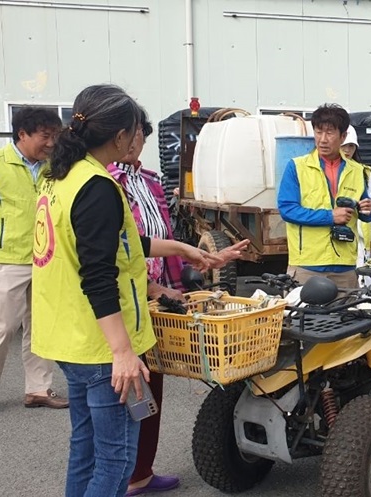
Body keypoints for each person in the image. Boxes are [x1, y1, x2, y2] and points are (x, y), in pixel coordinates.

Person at [31, 84, 246, 497]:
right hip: (98, 346)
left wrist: (186, 250)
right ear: (119, 136)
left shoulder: (61, 176)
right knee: (115, 460)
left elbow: (122, 244)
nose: (138, 138)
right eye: (135, 131)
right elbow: (98, 275)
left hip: (68, 337)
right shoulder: (96, 186)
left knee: (86, 450)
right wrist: (123, 352)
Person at [0, 106, 67, 417]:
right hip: (7, 260)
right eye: (45, 136)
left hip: (46, 259)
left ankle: (38, 389)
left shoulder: (52, 168)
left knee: (42, 327)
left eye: (55, 136)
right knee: (3, 327)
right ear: (22, 134)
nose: (51, 143)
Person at [106, 108, 182, 496]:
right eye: (133, 135)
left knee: (153, 383)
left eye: (143, 138)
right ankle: (124, 477)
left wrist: (177, 277)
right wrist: (152, 289)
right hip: (126, 299)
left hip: (157, 294)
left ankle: (142, 472)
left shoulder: (150, 179)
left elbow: (159, 234)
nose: (137, 144)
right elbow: (118, 253)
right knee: (123, 393)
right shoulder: (105, 182)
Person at [276, 104, 371, 289]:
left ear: (343, 136)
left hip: (345, 267)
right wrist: (330, 216)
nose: (322, 139)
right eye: (318, 132)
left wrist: (368, 210)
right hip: (307, 265)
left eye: (330, 133)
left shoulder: (357, 170)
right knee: (302, 318)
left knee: (349, 317)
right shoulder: (296, 167)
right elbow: (287, 210)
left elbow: (365, 212)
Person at [341, 125, 371, 287]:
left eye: (351, 146)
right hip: (339, 241)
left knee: (364, 283)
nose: (347, 150)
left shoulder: (364, 173)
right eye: (343, 145)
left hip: (360, 241)